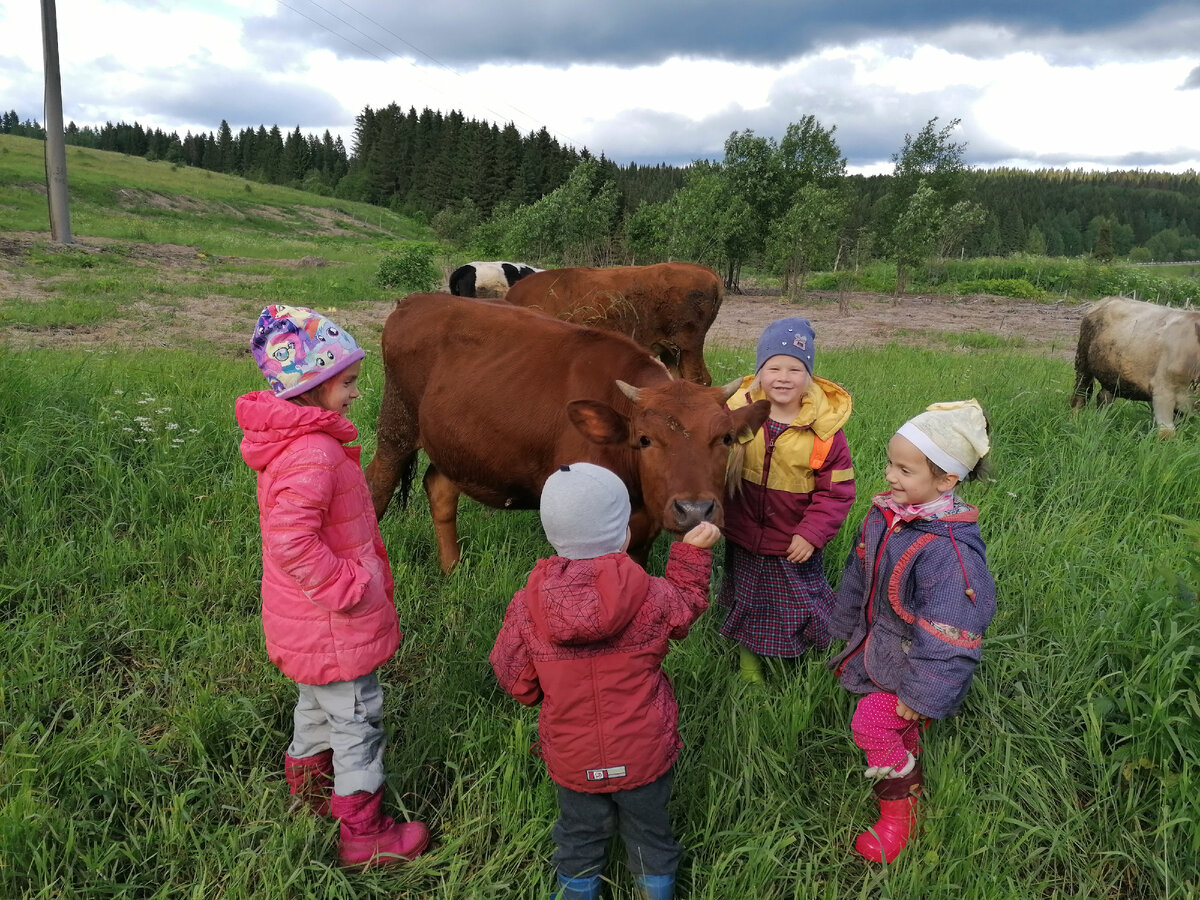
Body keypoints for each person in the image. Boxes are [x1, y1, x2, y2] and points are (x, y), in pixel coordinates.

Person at [236, 304, 429, 867]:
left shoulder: (298, 443)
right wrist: (350, 583)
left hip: (307, 621)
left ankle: (312, 797)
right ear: (311, 384)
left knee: (317, 708)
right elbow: (291, 540)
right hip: (332, 618)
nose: (353, 393)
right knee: (357, 720)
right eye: (346, 383)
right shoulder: (312, 454)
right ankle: (363, 835)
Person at [489, 463, 720, 900]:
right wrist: (692, 552)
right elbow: (686, 603)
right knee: (651, 836)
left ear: (552, 533)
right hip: (644, 752)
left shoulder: (527, 605)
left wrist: (539, 691)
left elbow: (514, 676)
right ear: (625, 534)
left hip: (573, 759)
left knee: (577, 838)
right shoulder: (651, 594)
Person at [828, 399, 997, 864]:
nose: (890, 476)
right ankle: (909, 749)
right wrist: (844, 628)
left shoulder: (948, 552)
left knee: (870, 722)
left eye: (905, 469)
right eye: (890, 463)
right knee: (889, 721)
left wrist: (921, 694)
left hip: (912, 664)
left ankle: (900, 811)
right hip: (881, 647)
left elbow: (951, 632)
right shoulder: (887, 516)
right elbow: (857, 575)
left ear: (946, 481)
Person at [719, 317, 856, 683]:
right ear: (759, 372)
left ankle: (804, 664)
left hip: (792, 541)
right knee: (745, 600)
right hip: (744, 534)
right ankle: (750, 668)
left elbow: (837, 492)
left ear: (808, 376)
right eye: (773, 367)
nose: (783, 377)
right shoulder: (736, 414)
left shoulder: (824, 433)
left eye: (795, 368)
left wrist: (811, 533)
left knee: (798, 603)